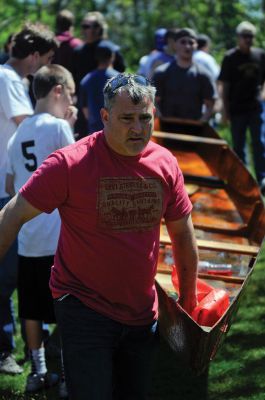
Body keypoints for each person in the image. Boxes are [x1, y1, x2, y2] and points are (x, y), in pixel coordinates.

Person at [0, 73, 198, 400]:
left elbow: (182, 234)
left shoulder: (165, 163)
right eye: (126, 119)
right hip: (83, 308)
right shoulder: (69, 163)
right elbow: (13, 213)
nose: (137, 128)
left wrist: (188, 299)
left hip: (142, 313)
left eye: (144, 118)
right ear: (105, 117)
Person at [5, 64, 76, 394]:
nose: (71, 103)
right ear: (58, 91)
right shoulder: (59, 127)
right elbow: (76, 172)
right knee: (66, 307)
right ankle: (63, 375)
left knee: (31, 308)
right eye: (70, 95)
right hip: (59, 236)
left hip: (28, 238)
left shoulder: (16, 135)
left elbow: (10, 183)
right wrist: (70, 126)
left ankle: (37, 370)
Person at [0, 22, 57, 375]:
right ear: (34, 56)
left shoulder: (9, 79)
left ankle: (35, 352)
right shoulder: (8, 79)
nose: (46, 69)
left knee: (24, 276)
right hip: (7, 193)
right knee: (6, 279)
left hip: (12, 188)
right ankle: (5, 350)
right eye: (47, 60)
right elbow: (29, 125)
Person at [218, 21, 265, 194]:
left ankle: (261, 178)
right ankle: (242, 179)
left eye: (251, 36)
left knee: (259, 142)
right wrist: (224, 109)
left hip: (255, 106)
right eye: (245, 36)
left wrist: (263, 94)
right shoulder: (230, 57)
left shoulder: (260, 55)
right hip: (236, 108)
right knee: (239, 145)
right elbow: (224, 84)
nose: (248, 39)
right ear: (238, 38)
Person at [73, 11, 126, 138]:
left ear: (98, 29)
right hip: (86, 107)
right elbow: (74, 79)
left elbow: (122, 79)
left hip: (111, 107)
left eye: (87, 26)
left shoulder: (111, 50)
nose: (83, 30)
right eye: (83, 26)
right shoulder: (79, 52)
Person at [153, 28, 217, 122]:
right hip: (167, 129)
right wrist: (161, 121)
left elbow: (210, 104)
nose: (187, 46)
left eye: (191, 43)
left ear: (196, 46)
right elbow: (153, 101)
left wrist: (201, 124)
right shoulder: (162, 72)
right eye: (183, 42)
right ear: (175, 45)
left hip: (193, 131)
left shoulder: (203, 75)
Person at [80, 42, 119, 134]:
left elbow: (85, 111)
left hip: (94, 132)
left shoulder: (86, 80)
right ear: (112, 56)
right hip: (116, 131)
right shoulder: (120, 79)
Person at [53, 9, 83, 74]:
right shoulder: (77, 44)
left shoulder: (50, 43)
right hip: (72, 82)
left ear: (57, 25)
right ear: (71, 26)